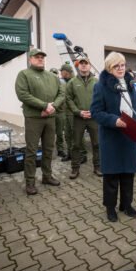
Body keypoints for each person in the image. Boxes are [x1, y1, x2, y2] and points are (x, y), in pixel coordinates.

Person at [91, 52, 136, 222]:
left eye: (122, 65)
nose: (121, 68)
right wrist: (115, 121)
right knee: (112, 176)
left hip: (130, 135)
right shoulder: (101, 86)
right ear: (109, 68)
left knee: (128, 174)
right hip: (112, 136)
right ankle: (110, 207)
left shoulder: (131, 83)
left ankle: (126, 204)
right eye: (116, 66)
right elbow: (96, 112)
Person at [15, 48, 65, 195]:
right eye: (37, 57)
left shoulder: (52, 76)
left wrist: (53, 106)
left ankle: (47, 176)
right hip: (33, 118)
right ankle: (30, 182)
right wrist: (44, 105)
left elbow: (62, 93)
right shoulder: (24, 74)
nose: (40, 59)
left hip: (50, 118)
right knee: (31, 151)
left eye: (42, 57)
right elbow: (23, 94)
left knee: (49, 149)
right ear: (30, 59)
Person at [66, 56, 100, 179]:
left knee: (97, 144)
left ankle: (98, 167)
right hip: (78, 118)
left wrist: (94, 111)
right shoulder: (72, 82)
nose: (84, 65)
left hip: (94, 117)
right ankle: (75, 169)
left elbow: (101, 98)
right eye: (81, 63)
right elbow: (68, 99)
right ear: (78, 66)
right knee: (76, 145)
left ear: (90, 65)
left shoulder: (96, 82)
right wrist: (78, 112)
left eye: (86, 63)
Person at [58, 63, 87, 163]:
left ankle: (83, 155)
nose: (60, 73)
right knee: (67, 135)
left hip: (74, 113)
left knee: (77, 135)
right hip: (66, 112)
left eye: (61, 71)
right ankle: (70, 153)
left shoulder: (75, 81)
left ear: (66, 72)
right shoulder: (65, 81)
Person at [49, 67, 67, 158]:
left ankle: (60, 150)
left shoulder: (63, 84)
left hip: (60, 112)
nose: (54, 75)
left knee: (60, 133)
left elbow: (65, 97)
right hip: (49, 113)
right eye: (52, 73)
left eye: (55, 73)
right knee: (49, 133)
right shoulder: (46, 85)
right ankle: (49, 151)